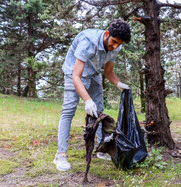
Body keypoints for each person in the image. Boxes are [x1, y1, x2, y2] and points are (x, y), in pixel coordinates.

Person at [53, 19, 131, 171]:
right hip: (73, 73)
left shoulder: (116, 47)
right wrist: (87, 100)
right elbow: (76, 76)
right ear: (107, 34)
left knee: (99, 110)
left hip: (94, 73)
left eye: (119, 44)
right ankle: (60, 155)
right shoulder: (88, 41)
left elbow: (108, 72)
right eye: (114, 42)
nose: (115, 47)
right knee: (68, 111)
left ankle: (102, 149)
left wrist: (118, 84)